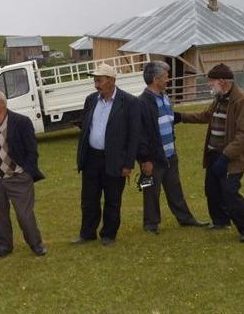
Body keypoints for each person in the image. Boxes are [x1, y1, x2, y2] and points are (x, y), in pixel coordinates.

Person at [177, 63, 244, 242]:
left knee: (230, 192)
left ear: (222, 81)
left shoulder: (242, 101)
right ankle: (221, 221)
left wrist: (226, 156)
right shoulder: (220, 98)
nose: (209, 84)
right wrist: (181, 117)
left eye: (211, 81)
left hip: (232, 158)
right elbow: (206, 116)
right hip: (215, 155)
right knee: (212, 189)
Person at [136, 62, 209, 233]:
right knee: (151, 191)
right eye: (165, 77)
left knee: (175, 188)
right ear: (156, 79)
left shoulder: (164, 96)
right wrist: (145, 160)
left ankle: (185, 219)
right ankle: (150, 224)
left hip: (170, 153)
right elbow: (140, 134)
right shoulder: (142, 103)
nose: (168, 80)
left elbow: (169, 118)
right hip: (153, 158)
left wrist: (191, 117)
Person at [73, 63, 140, 246]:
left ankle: (109, 234)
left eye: (99, 80)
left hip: (115, 159)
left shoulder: (129, 102)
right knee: (89, 199)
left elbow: (134, 136)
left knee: (112, 199)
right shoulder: (91, 100)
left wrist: (128, 164)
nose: (96, 85)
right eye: (95, 80)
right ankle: (87, 233)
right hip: (92, 158)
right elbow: (86, 128)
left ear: (111, 81)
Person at [0, 89, 47, 258]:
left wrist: (28, 173)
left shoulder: (21, 122)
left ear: (0, 103)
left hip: (18, 178)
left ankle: (36, 245)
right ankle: (4, 246)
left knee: (24, 215)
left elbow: (32, 151)